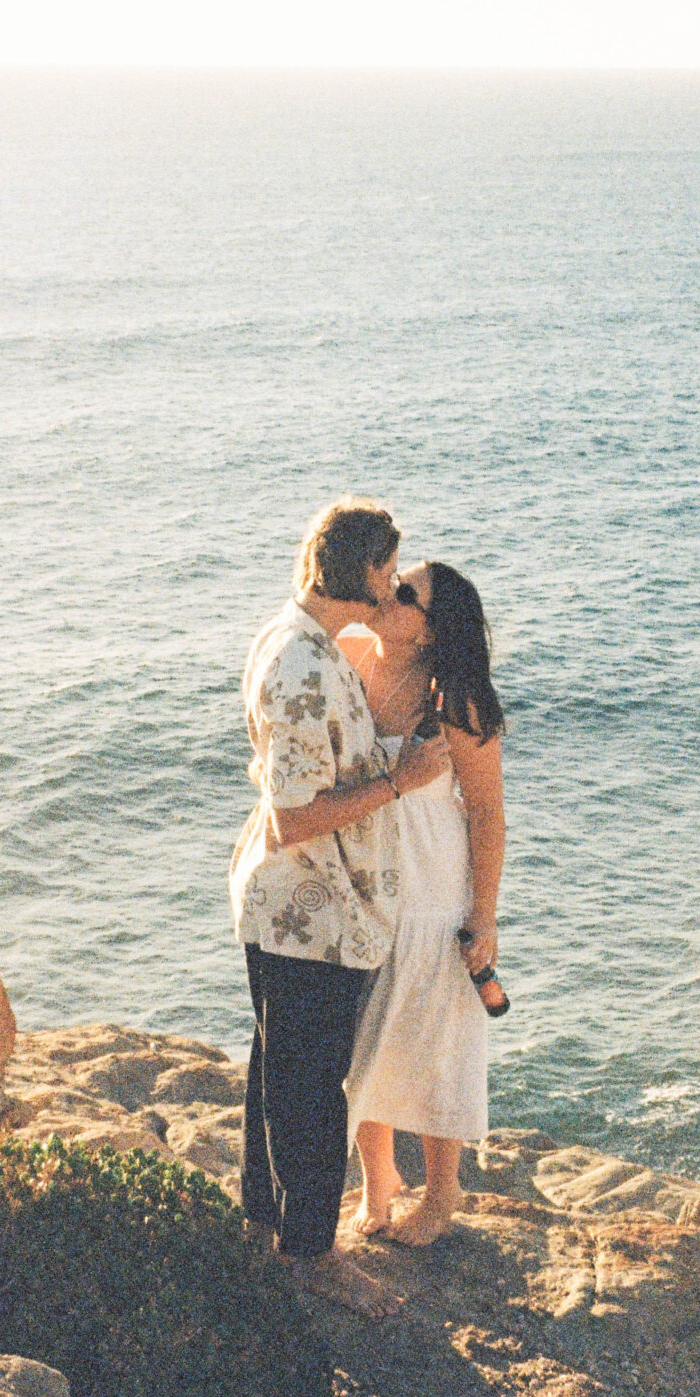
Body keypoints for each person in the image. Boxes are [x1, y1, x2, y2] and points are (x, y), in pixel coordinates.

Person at [228, 496, 451, 1317]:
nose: (392, 588)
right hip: (304, 912)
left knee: (276, 1072)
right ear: (358, 572)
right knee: (313, 1086)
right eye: (387, 573)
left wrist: (395, 753)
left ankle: (263, 1224)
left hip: (301, 911)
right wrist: (401, 782)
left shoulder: (298, 641)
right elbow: (293, 817)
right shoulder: (302, 667)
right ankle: (311, 1255)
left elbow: (321, 765)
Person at [339, 558, 510, 1248]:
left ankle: (443, 1193)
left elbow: (489, 811)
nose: (388, 592)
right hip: (361, 878)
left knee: (438, 1035)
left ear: (429, 632)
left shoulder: (454, 700)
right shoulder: (347, 654)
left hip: (432, 884)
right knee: (359, 1035)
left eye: (405, 594)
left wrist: (485, 915)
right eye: (393, 580)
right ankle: (379, 1177)